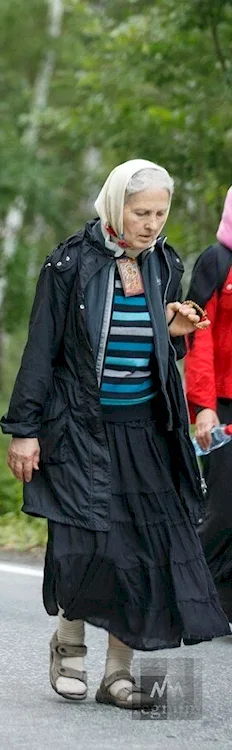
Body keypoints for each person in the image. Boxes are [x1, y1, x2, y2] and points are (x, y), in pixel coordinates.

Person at [2, 159, 231, 709]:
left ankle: (118, 674)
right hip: (80, 428)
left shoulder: (162, 265)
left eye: (160, 212)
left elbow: (158, 351)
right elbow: (42, 351)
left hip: (145, 430)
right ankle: (69, 643)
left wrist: (172, 333)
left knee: (139, 551)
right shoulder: (71, 263)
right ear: (114, 206)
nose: (152, 223)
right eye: (141, 212)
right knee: (84, 546)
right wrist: (23, 430)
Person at [185, 184, 232, 620]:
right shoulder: (216, 261)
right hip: (220, 405)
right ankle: (178, 588)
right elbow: (197, 337)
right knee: (222, 507)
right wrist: (204, 405)